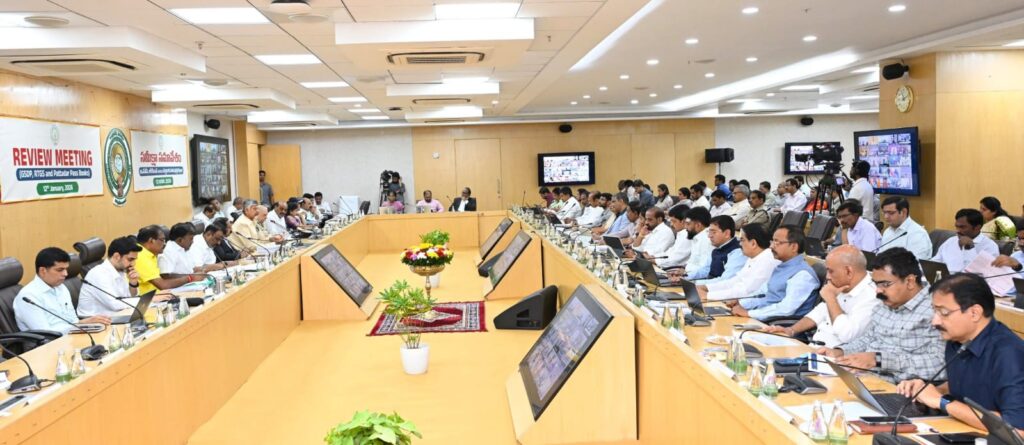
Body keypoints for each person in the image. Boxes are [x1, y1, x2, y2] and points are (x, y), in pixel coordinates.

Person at [895, 273, 1024, 432]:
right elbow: (969, 382)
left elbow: (1017, 428)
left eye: (944, 313)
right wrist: (928, 391)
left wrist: (941, 401)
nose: (935, 321)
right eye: (934, 311)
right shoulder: (957, 339)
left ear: (975, 313)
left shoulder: (1010, 355)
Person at [817, 247, 945, 384]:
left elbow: (938, 364)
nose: (878, 291)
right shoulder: (885, 305)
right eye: (876, 284)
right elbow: (868, 339)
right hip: (865, 379)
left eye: (885, 284)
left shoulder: (936, 310)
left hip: (900, 389)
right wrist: (841, 352)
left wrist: (880, 360)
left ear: (910, 281)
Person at [762, 245, 878, 347]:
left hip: (834, 358)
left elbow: (847, 335)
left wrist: (831, 299)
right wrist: (790, 330)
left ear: (849, 271)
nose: (827, 276)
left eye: (831, 271)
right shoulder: (841, 284)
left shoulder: (871, 297)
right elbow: (819, 313)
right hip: (813, 348)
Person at [729, 225, 820, 321]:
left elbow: (786, 309)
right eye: (772, 241)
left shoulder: (803, 275)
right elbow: (763, 293)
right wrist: (741, 303)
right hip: (762, 318)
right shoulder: (782, 266)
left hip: (778, 325)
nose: (771, 246)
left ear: (794, 247)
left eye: (777, 242)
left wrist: (749, 313)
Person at [14, 247, 111, 333]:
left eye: (66, 269)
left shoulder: (61, 288)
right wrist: (82, 324)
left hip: (71, 336)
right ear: (43, 271)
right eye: (60, 270)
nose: (65, 274)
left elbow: (73, 321)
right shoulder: (28, 296)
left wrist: (88, 323)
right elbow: (45, 333)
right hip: (49, 344)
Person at [698, 224, 779, 301]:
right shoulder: (754, 257)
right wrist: (706, 287)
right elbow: (734, 281)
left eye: (742, 240)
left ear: (753, 243)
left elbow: (746, 291)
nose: (740, 244)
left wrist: (708, 295)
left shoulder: (768, 260)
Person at [78, 236, 142, 318]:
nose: (133, 264)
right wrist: (141, 301)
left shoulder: (120, 270)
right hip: (94, 322)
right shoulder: (99, 274)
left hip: (116, 315)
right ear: (117, 256)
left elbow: (129, 297)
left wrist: (133, 283)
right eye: (130, 259)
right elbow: (114, 304)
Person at [135, 225, 206, 295]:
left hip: (160, 294)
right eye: (162, 240)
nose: (164, 244)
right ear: (151, 240)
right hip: (149, 299)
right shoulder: (141, 256)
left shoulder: (149, 254)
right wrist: (190, 278)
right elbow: (163, 285)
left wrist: (191, 276)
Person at [932, 208, 1000, 273]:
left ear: (977, 227)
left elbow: (976, 273)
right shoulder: (950, 241)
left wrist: (969, 247)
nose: (957, 231)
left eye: (962, 227)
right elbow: (934, 263)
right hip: (944, 279)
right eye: (956, 226)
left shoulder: (989, 247)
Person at [688, 215, 746, 282]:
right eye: (709, 232)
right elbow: (705, 270)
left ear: (727, 233)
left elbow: (725, 280)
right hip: (708, 284)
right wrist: (685, 277)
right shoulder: (716, 249)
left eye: (713, 232)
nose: (709, 236)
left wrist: (696, 283)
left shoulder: (738, 252)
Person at [676, 206, 712, 277]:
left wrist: (685, 274)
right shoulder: (697, 237)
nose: (685, 227)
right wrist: (683, 269)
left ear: (698, 225)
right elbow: (693, 262)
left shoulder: (707, 240)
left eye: (688, 224)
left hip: (696, 279)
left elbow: (703, 269)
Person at [656, 204, 692, 269]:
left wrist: (655, 260)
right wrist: (654, 257)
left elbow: (675, 259)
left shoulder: (687, 236)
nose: (671, 224)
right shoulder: (681, 234)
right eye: (671, 221)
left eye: (674, 221)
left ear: (683, 222)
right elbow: (670, 252)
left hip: (676, 269)